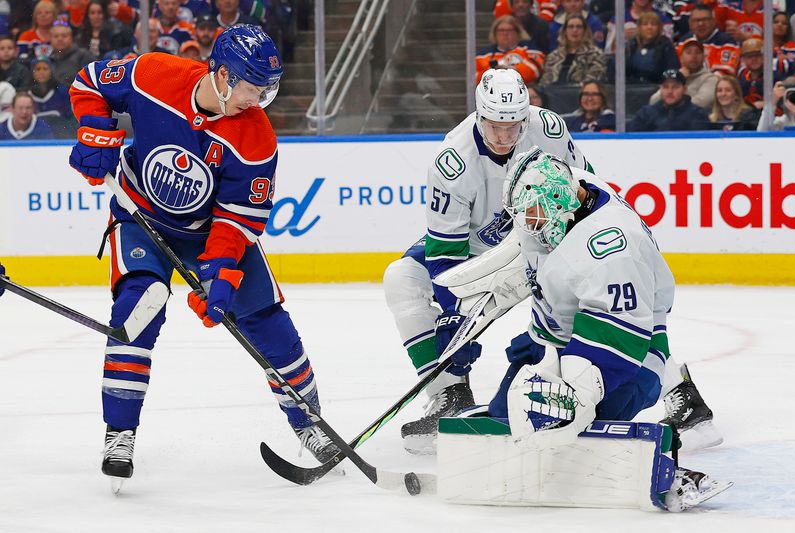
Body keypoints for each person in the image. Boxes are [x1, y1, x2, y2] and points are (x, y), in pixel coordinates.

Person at [67, 24, 338, 487]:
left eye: (266, 92)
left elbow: (238, 220)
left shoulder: (256, 137)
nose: (257, 101)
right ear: (223, 75)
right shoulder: (154, 73)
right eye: (253, 89)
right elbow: (89, 82)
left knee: (267, 322)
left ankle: (310, 423)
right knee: (139, 306)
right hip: (141, 219)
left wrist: (220, 274)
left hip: (210, 232)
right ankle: (120, 432)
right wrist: (97, 131)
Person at [485, 147, 723, 510]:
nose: (528, 224)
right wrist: (539, 334)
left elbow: (619, 346)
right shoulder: (576, 191)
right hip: (575, 324)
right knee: (505, 413)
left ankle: (647, 458)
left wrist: (573, 400)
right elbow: (553, 269)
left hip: (635, 351)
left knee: (566, 415)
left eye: (532, 213)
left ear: (554, 199)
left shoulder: (613, 248)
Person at [383, 68, 591, 454]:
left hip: (546, 241)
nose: (504, 137)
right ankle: (450, 393)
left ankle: (679, 390)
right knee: (402, 279)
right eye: (495, 125)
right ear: (479, 114)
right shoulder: (454, 163)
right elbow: (445, 254)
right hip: (481, 256)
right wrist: (454, 318)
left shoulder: (549, 129)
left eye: (513, 126)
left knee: (601, 295)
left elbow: (585, 190)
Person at [629, 69, 709, 131]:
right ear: (660, 88)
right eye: (665, 87)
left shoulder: (698, 115)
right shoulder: (645, 114)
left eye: (675, 87)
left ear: (684, 89)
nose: (670, 91)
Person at [649, 38, 718, 111]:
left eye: (698, 52)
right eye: (688, 52)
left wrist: (672, 103)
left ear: (703, 58)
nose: (693, 56)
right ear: (681, 58)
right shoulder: (673, 77)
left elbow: (701, 103)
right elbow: (653, 101)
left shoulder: (711, 78)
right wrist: (679, 78)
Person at [475, 15, 546, 85]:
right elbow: (475, 78)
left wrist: (507, 71)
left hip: (522, 90)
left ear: (518, 33)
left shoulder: (529, 48)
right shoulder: (482, 55)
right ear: (494, 33)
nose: (505, 33)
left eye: (509, 30)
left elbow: (534, 71)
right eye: (501, 30)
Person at [539, 14, 607, 86]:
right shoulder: (553, 56)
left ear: (585, 31)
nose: (575, 30)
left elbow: (593, 81)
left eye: (579, 27)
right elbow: (544, 82)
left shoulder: (596, 54)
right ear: (565, 31)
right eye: (571, 27)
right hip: (553, 94)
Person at [676, 4, 740, 75]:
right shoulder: (683, 42)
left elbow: (724, 75)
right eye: (696, 20)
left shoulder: (727, 42)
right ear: (690, 23)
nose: (700, 24)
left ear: (713, 21)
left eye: (705, 20)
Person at [620, 11, 680, 85]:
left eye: (653, 24)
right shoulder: (632, 44)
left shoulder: (666, 45)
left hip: (656, 87)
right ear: (639, 27)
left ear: (659, 28)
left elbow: (671, 70)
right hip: (631, 87)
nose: (649, 27)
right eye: (645, 24)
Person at [737, 37, 790, 109]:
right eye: (749, 56)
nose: (754, 59)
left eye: (757, 55)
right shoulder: (740, 80)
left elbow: (787, 102)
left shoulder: (777, 78)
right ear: (743, 60)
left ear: (765, 56)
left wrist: (766, 104)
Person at [604, 0, 673, 54]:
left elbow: (668, 51)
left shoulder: (664, 21)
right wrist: (620, 36)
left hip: (653, 65)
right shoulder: (617, 20)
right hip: (625, 66)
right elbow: (608, 51)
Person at [49, 21, 95, 87]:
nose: (60, 39)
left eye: (64, 36)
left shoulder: (84, 56)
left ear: (71, 38)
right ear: (51, 39)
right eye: (56, 36)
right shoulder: (49, 60)